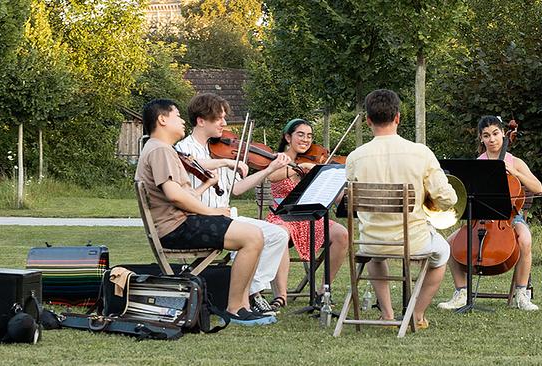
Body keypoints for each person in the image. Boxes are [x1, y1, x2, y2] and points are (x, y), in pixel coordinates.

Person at [135, 98, 276, 325]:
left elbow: (182, 193)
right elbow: (174, 195)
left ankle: (243, 306)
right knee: (252, 236)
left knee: (254, 235)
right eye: (177, 116)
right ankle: (236, 307)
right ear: (162, 119)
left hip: (177, 224)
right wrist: (212, 213)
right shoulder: (160, 150)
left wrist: (206, 187)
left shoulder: (159, 149)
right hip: (177, 227)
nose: (182, 121)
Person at [345, 89, 457, 329]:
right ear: (398, 117)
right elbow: (447, 199)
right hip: (413, 241)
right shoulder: (421, 153)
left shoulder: (355, 157)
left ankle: (387, 314)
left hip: (370, 241)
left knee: (376, 257)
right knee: (443, 252)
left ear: (368, 121)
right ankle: (416, 315)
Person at [175, 93, 292, 315]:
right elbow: (191, 162)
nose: (225, 123)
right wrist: (227, 162)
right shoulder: (183, 147)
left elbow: (236, 189)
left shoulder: (220, 148)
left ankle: (251, 290)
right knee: (250, 234)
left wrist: (268, 170)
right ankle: (243, 298)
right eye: (219, 118)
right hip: (201, 219)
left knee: (278, 234)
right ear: (201, 121)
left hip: (225, 216)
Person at [438, 115, 542, 311]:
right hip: (480, 217)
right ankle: (461, 292)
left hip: (510, 218)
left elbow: (537, 187)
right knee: (449, 244)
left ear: (504, 133)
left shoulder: (515, 161)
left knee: (525, 240)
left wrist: (514, 172)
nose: (492, 139)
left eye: (495, 133)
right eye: (486, 135)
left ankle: (522, 294)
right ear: (481, 139)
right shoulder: (478, 163)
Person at [265, 118, 349, 310]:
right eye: (300, 134)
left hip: (310, 218)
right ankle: (281, 295)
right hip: (283, 216)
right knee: (280, 235)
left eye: (309, 136)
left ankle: (323, 291)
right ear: (288, 137)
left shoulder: (314, 162)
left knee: (342, 234)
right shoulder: (277, 160)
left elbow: (332, 197)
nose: (305, 139)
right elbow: (271, 176)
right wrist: (299, 168)